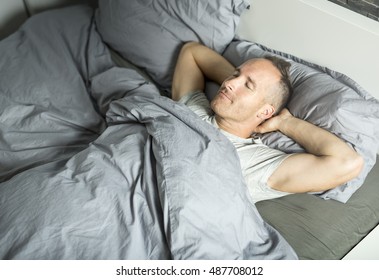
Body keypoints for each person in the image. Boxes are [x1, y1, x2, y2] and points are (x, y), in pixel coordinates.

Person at [171, 41, 364, 203]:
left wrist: (285, 123)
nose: (229, 83)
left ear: (266, 111)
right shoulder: (194, 109)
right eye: (235, 75)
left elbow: (348, 162)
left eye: (248, 86)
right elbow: (191, 51)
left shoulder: (256, 162)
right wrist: (242, 88)